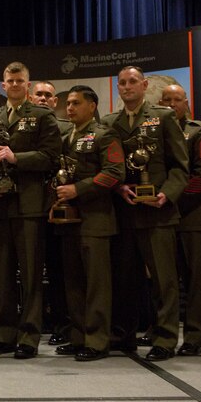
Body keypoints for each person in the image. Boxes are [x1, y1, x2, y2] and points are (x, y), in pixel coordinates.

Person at [100, 66, 189, 362]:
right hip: (124, 213)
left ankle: (164, 338)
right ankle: (123, 335)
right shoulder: (110, 121)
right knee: (123, 280)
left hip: (157, 213)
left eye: (132, 82)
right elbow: (106, 166)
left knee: (164, 281)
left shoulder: (163, 117)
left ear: (144, 84)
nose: (127, 87)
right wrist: (118, 187)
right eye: (122, 83)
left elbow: (180, 166)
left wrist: (167, 194)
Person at [0, 62, 62, 359]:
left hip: (29, 206)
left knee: (29, 276)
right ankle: (3, 335)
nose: (14, 85)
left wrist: (17, 158)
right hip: (0, 206)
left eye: (20, 81)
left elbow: (52, 157)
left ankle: (28, 337)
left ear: (28, 85)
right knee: (2, 276)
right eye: (10, 81)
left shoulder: (42, 116)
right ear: (3, 85)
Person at [52, 85, 125, 361]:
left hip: (96, 220)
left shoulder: (105, 135)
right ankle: (78, 335)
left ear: (92, 106)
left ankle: (96, 341)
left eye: (76, 103)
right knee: (73, 282)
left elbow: (115, 173)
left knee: (96, 284)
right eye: (68, 103)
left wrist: (78, 190)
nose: (69, 108)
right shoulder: (64, 137)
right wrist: (57, 201)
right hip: (69, 220)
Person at [158, 84, 201, 356]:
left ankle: (195, 336)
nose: (171, 104)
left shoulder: (199, 130)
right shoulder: (155, 129)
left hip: (192, 217)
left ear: (186, 102)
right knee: (165, 279)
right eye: (166, 99)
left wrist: (170, 199)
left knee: (195, 281)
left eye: (176, 100)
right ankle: (161, 330)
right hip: (163, 217)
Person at [30, 80, 73, 346]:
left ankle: (62, 325)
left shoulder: (69, 129)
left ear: (55, 102)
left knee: (60, 270)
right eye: (39, 95)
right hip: (26, 207)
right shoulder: (19, 129)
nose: (44, 98)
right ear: (30, 98)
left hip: (58, 209)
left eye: (48, 95)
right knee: (29, 271)